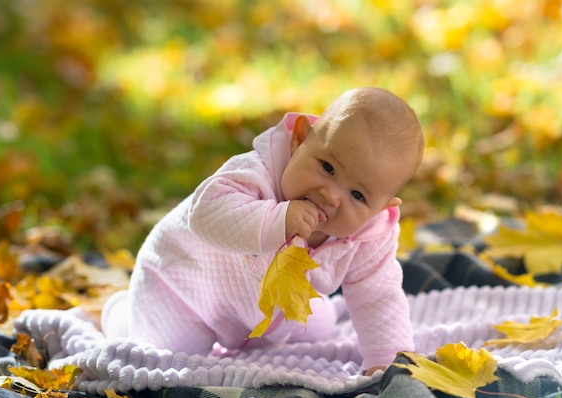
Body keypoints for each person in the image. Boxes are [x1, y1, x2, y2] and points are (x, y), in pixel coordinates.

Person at [101, 86, 425, 376]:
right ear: (301, 138)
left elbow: (379, 294)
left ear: (382, 207)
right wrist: (277, 220)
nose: (332, 195)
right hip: (182, 287)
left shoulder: (369, 235)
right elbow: (205, 216)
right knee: (169, 360)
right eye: (327, 167)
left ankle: (264, 332)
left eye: (358, 195)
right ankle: (120, 313)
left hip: (265, 313)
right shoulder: (258, 171)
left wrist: (386, 359)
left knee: (322, 324)